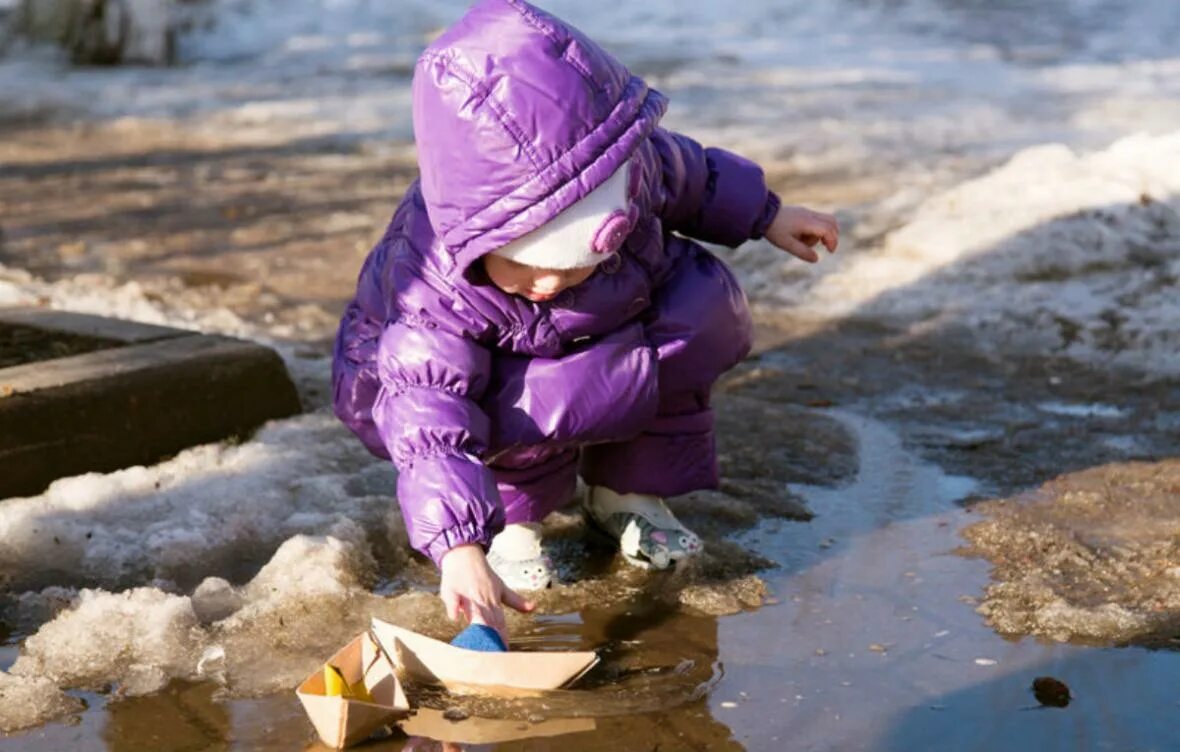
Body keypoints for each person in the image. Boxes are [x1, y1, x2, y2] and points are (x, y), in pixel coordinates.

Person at [332, 0, 838, 640]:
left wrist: (767, 214)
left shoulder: (626, 170)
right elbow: (430, 416)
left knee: (696, 312)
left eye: (575, 267)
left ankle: (626, 493)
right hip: (433, 386)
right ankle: (513, 518)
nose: (548, 284)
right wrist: (459, 547)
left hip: (592, 339)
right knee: (516, 397)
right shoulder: (434, 282)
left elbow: (694, 179)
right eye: (528, 266)